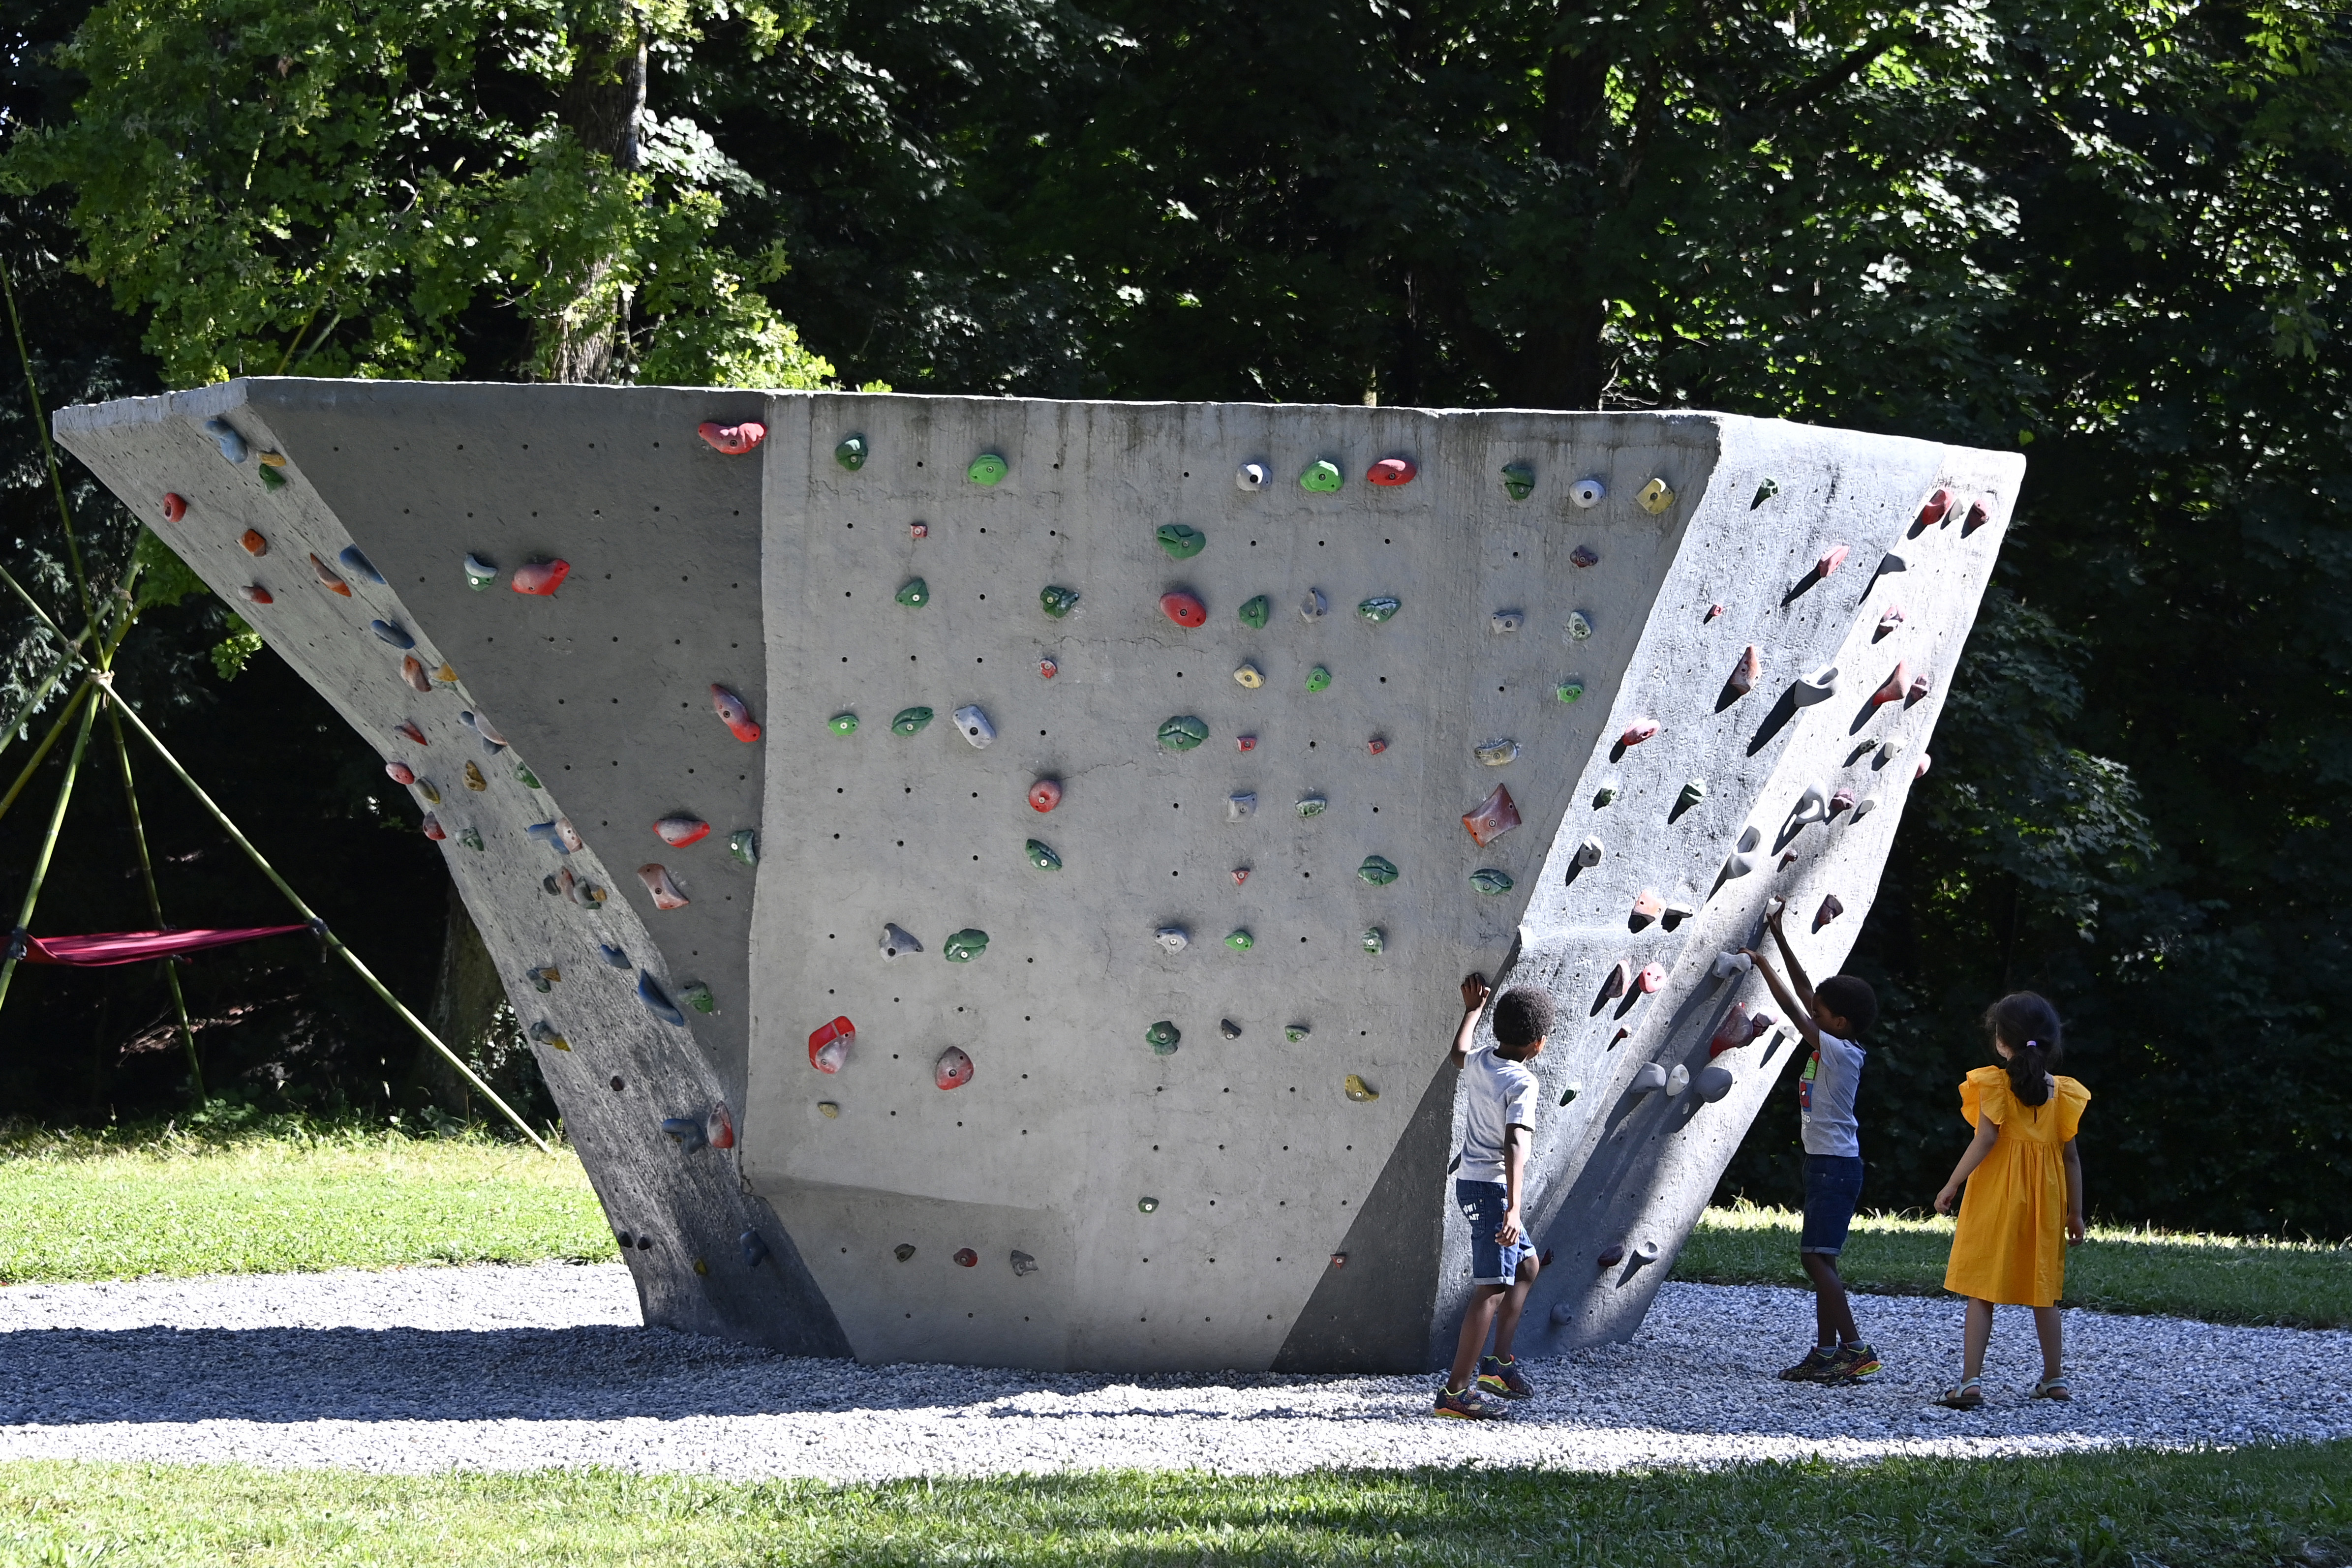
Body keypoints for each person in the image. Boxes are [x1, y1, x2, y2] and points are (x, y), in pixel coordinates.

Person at [1742, 904, 1883, 1385]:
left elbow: (1792, 1007)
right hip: (1825, 1164)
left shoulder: (1839, 1050)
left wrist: (1761, 965)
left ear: (1839, 1023)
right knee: (1821, 1257)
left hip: (1833, 1167)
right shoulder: (1837, 1038)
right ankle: (1825, 1352)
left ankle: (1855, 1349)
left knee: (1813, 1258)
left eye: (1822, 1014)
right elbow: (1806, 992)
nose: (1812, 1013)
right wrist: (1778, 936)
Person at [1932, 991, 2089, 1408]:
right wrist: (2075, 1212)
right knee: (2044, 1290)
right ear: (2051, 1041)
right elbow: (2070, 1157)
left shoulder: (1992, 1084)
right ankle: (2054, 1379)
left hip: (1996, 1197)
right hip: (2046, 1203)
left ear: (2001, 1041)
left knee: (1981, 1288)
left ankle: (1970, 1382)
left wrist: (1951, 1184)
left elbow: (1985, 1140)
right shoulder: (2065, 1093)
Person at [1433, 971, 1547, 1420]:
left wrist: (1472, 1010)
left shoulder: (1482, 1061)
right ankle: (1455, 1393)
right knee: (1492, 1288)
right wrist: (1514, 1209)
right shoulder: (1522, 1082)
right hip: (1493, 1188)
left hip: (1474, 1185)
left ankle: (1497, 1367)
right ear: (1538, 1043)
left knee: (1526, 1267)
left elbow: (1458, 1053)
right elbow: (1515, 1141)